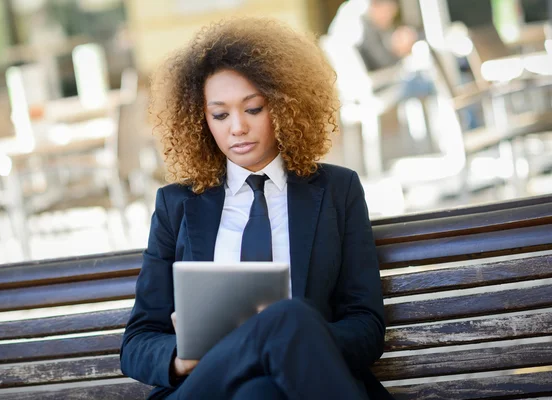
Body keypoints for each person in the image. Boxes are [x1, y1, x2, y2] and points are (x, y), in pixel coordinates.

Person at [120, 17, 393, 400]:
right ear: (201, 120)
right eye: (220, 114)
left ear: (284, 106)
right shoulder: (177, 204)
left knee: (262, 387)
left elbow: (366, 328)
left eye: (252, 109)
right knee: (285, 320)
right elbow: (137, 343)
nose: (237, 128)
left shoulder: (337, 191)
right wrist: (182, 359)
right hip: (204, 385)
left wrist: (288, 338)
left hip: (292, 385)